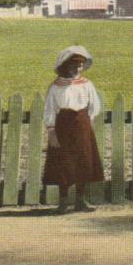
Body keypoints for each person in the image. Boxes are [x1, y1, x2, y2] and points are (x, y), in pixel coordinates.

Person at [42, 45, 104, 214]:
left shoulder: (87, 84)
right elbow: (49, 109)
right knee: (64, 162)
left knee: (82, 161)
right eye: (73, 66)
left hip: (81, 124)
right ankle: (63, 202)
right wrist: (52, 130)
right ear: (65, 66)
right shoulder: (56, 86)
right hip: (63, 125)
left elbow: (94, 106)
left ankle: (80, 200)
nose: (76, 69)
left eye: (79, 66)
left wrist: (85, 121)